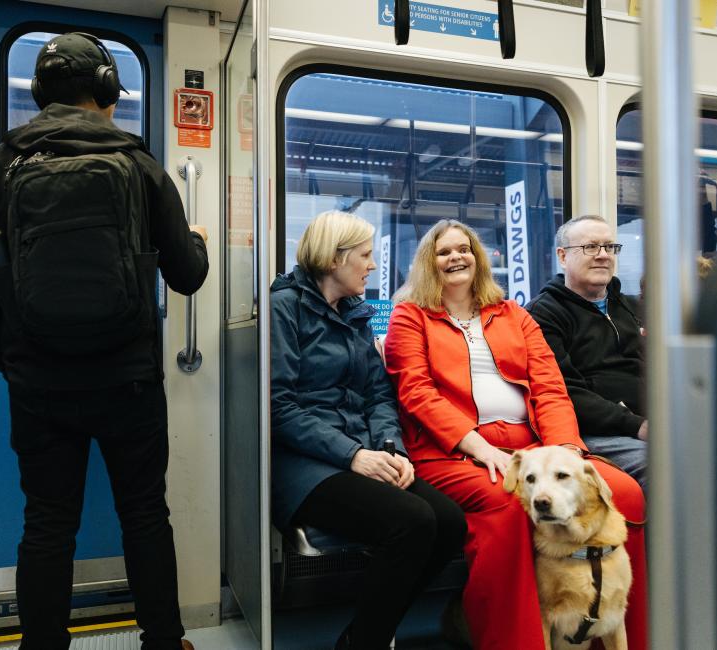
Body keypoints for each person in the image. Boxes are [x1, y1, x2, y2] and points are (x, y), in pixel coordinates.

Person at [0, 33, 208, 650]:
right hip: (128, 380)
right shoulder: (140, 165)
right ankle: (164, 641)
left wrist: (17, 360)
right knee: (144, 515)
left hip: (39, 383)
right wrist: (194, 240)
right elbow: (187, 274)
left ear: (39, 94)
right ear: (102, 91)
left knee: (47, 522)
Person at [383, 219, 647, 650]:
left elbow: (549, 385)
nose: (456, 257)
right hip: (451, 452)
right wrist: (480, 446)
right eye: (444, 251)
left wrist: (566, 451)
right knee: (507, 504)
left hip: (532, 447)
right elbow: (417, 393)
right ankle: (514, 640)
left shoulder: (513, 314)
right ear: (428, 263)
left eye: (464, 248)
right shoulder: (410, 316)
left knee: (624, 492)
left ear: (478, 257)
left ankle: (624, 636)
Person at [271, 211, 466, 650]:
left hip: (362, 449)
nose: (373, 265)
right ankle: (370, 640)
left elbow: (379, 394)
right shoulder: (285, 308)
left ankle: (366, 631)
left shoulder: (356, 315)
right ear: (335, 259)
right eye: (365, 255)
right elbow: (280, 408)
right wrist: (353, 455)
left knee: (450, 523)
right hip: (305, 463)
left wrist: (390, 447)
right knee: (412, 521)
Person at [526, 215, 647, 494]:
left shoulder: (631, 308)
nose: (603, 256)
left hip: (650, 421)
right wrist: (636, 425)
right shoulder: (544, 314)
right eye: (591, 247)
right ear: (563, 256)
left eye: (609, 247)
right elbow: (564, 390)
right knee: (666, 467)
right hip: (597, 431)